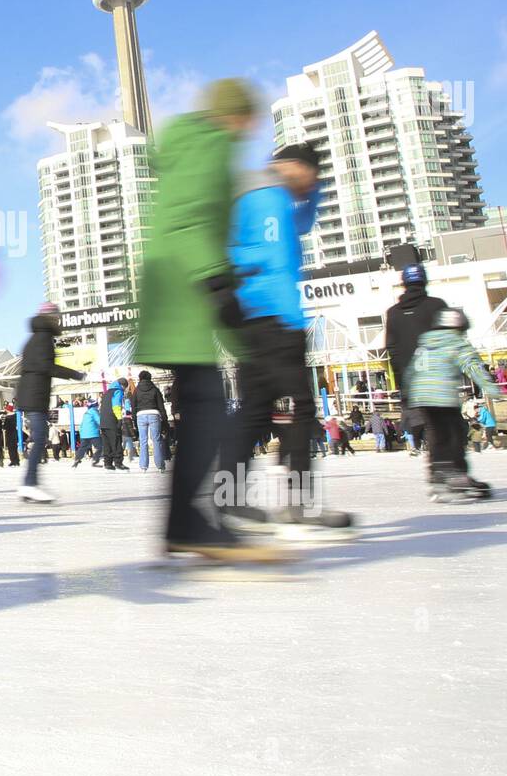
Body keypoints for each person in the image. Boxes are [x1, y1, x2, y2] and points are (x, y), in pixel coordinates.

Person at [135, 79, 289, 562]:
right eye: (249, 117)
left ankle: (185, 524)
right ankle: (187, 525)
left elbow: (191, 224)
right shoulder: (211, 145)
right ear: (236, 115)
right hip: (186, 289)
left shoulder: (191, 143)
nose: (251, 128)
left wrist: (222, 283)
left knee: (205, 405)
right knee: (206, 409)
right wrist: (217, 283)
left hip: (178, 291)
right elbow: (190, 223)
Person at [225, 141, 352, 536]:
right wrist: (257, 266)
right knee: (297, 410)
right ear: (293, 167)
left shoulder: (268, 197)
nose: (314, 183)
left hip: (257, 321)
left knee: (256, 412)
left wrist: (313, 192)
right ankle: (298, 505)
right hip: (275, 320)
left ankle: (228, 501)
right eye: (312, 175)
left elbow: (302, 224)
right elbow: (254, 251)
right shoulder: (268, 198)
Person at [408, 308, 499, 502]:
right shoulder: (457, 342)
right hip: (442, 397)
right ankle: (455, 475)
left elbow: (412, 370)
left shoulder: (425, 344)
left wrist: (408, 393)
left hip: (422, 397)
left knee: (437, 435)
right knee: (455, 434)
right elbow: (472, 365)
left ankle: (440, 473)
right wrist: (491, 388)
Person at [13, 303, 82, 502]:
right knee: (41, 439)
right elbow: (46, 366)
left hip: (33, 395)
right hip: (34, 396)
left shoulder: (37, 336)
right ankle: (29, 484)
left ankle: (28, 484)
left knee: (40, 438)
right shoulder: (43, 337)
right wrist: (75, 374)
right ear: (50, 317)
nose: (59, 320)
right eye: (56, 316)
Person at [384, 264, 447, 469]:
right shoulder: (437, 306)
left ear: (404, 283)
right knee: (447, 425)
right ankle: (450, 469)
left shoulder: (393, 313)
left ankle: (438, 470)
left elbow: (392, 350)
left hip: (411, 384)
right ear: (424, 280)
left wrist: (402, 382)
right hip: (437, 378)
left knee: (425, 423)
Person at [132, 370, 168, 472]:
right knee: (156, 440)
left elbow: (133, 406)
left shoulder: (136, 390)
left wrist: (134, 420)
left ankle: (143, 466)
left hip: (140, 416)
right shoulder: (155, 389)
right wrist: (164, 419)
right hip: (154, 414)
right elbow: (161, 406)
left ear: (140, 378)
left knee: (143, 441)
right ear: (150, 378)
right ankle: (160, 466)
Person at [73, 400, 102, 466]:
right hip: (93, 433)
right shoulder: (94, 411)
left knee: (82, 447)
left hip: (84, 434)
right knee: (99, 447)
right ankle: (95, 460)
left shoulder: (86, 413)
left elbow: (82, 424)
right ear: (95, 405)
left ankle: (77, 458)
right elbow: (99, 421)